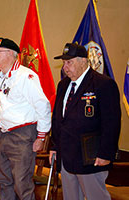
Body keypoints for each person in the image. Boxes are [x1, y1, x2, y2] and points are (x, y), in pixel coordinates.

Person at [50, 43, 121, 200]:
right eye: (63, 63)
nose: (65, 68)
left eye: (69, 62)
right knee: (71, 197)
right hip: (67, 155)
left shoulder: (103, 84)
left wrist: (105, 153)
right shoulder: (63, 85)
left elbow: (112, 123)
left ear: (83, 61)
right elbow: (58, 118)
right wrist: (55, 146)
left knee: (96, 196)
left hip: (91, 156)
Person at [0, 37, 51, 200]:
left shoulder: (26, 76)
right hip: (3, 134)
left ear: (11, 54)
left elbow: (43, 105)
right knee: (3, 181)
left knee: (21, 183)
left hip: (22, 135)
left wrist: (41, 136)